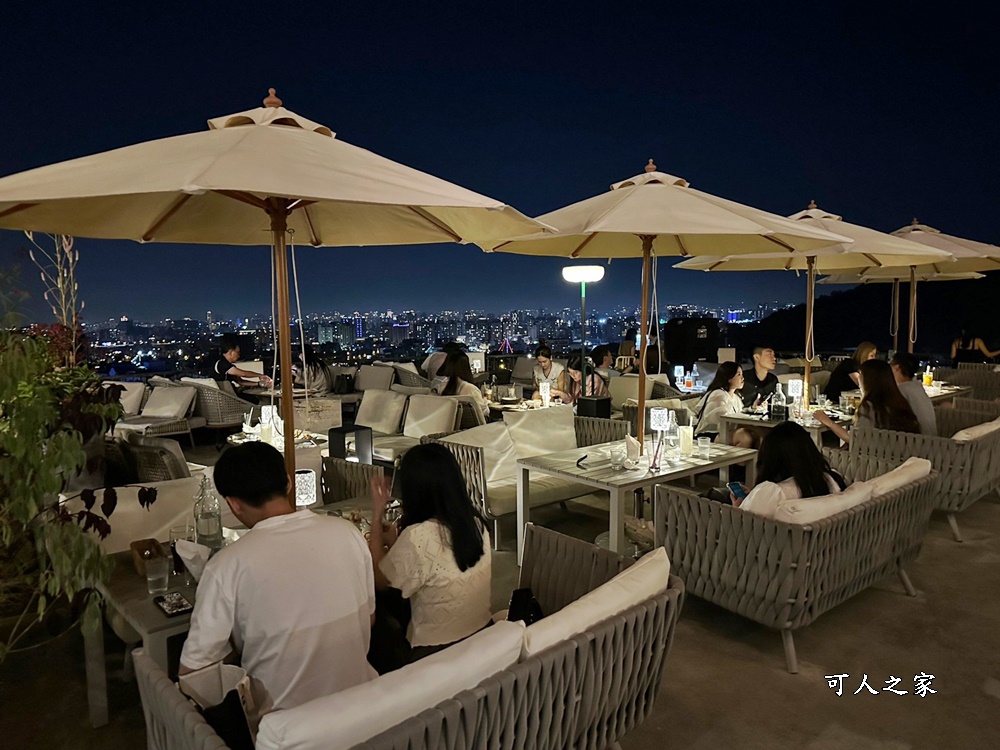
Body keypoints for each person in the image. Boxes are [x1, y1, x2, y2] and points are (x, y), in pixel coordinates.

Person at [179, 442, 376, 716]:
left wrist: (239, 643)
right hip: (365, 709)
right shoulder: (349, 534)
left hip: (283, 728)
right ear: (288, 483)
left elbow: (193, 673)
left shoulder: (226, 565)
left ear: (233, 504)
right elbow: (368, 617)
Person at [368, 443, 491, 665]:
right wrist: (395, 542)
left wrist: (377, 515)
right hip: (481, 633)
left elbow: (378, 578)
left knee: (373, 604)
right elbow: (433, 561)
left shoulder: (419, 536)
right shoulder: (475, 524)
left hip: (434, 654)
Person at [732, 421, 848, 519]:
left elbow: (741, 531)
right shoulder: (832, 480)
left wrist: (738, 511)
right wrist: (754, 494)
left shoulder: (772, 493)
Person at [815, 359, 920, 444]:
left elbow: (854, 440)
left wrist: (828, 422)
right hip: (900, 456)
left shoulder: (869, 407)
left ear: (868, 379)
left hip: (876, 462)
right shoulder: (898, 401)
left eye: (861, 374)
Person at [693, 362, 744, 440]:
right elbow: (722, 422)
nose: (742, 378)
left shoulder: (736, 398)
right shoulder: (718, 394)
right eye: (739, 375)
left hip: (726, 432)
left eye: (742, 374)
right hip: (709, 434)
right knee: (744, 437)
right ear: (729, 377)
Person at [890, 351, 937, 435]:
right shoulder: (917, 388)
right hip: (932, 440)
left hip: (916, 442)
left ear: (897, 367)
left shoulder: (901, 391)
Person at [439, 349, 489, 418]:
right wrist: (485, 401)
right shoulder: (470, 389)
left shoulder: (442, 386)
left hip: (453, 426)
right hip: (477, 427)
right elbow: (484, 412)